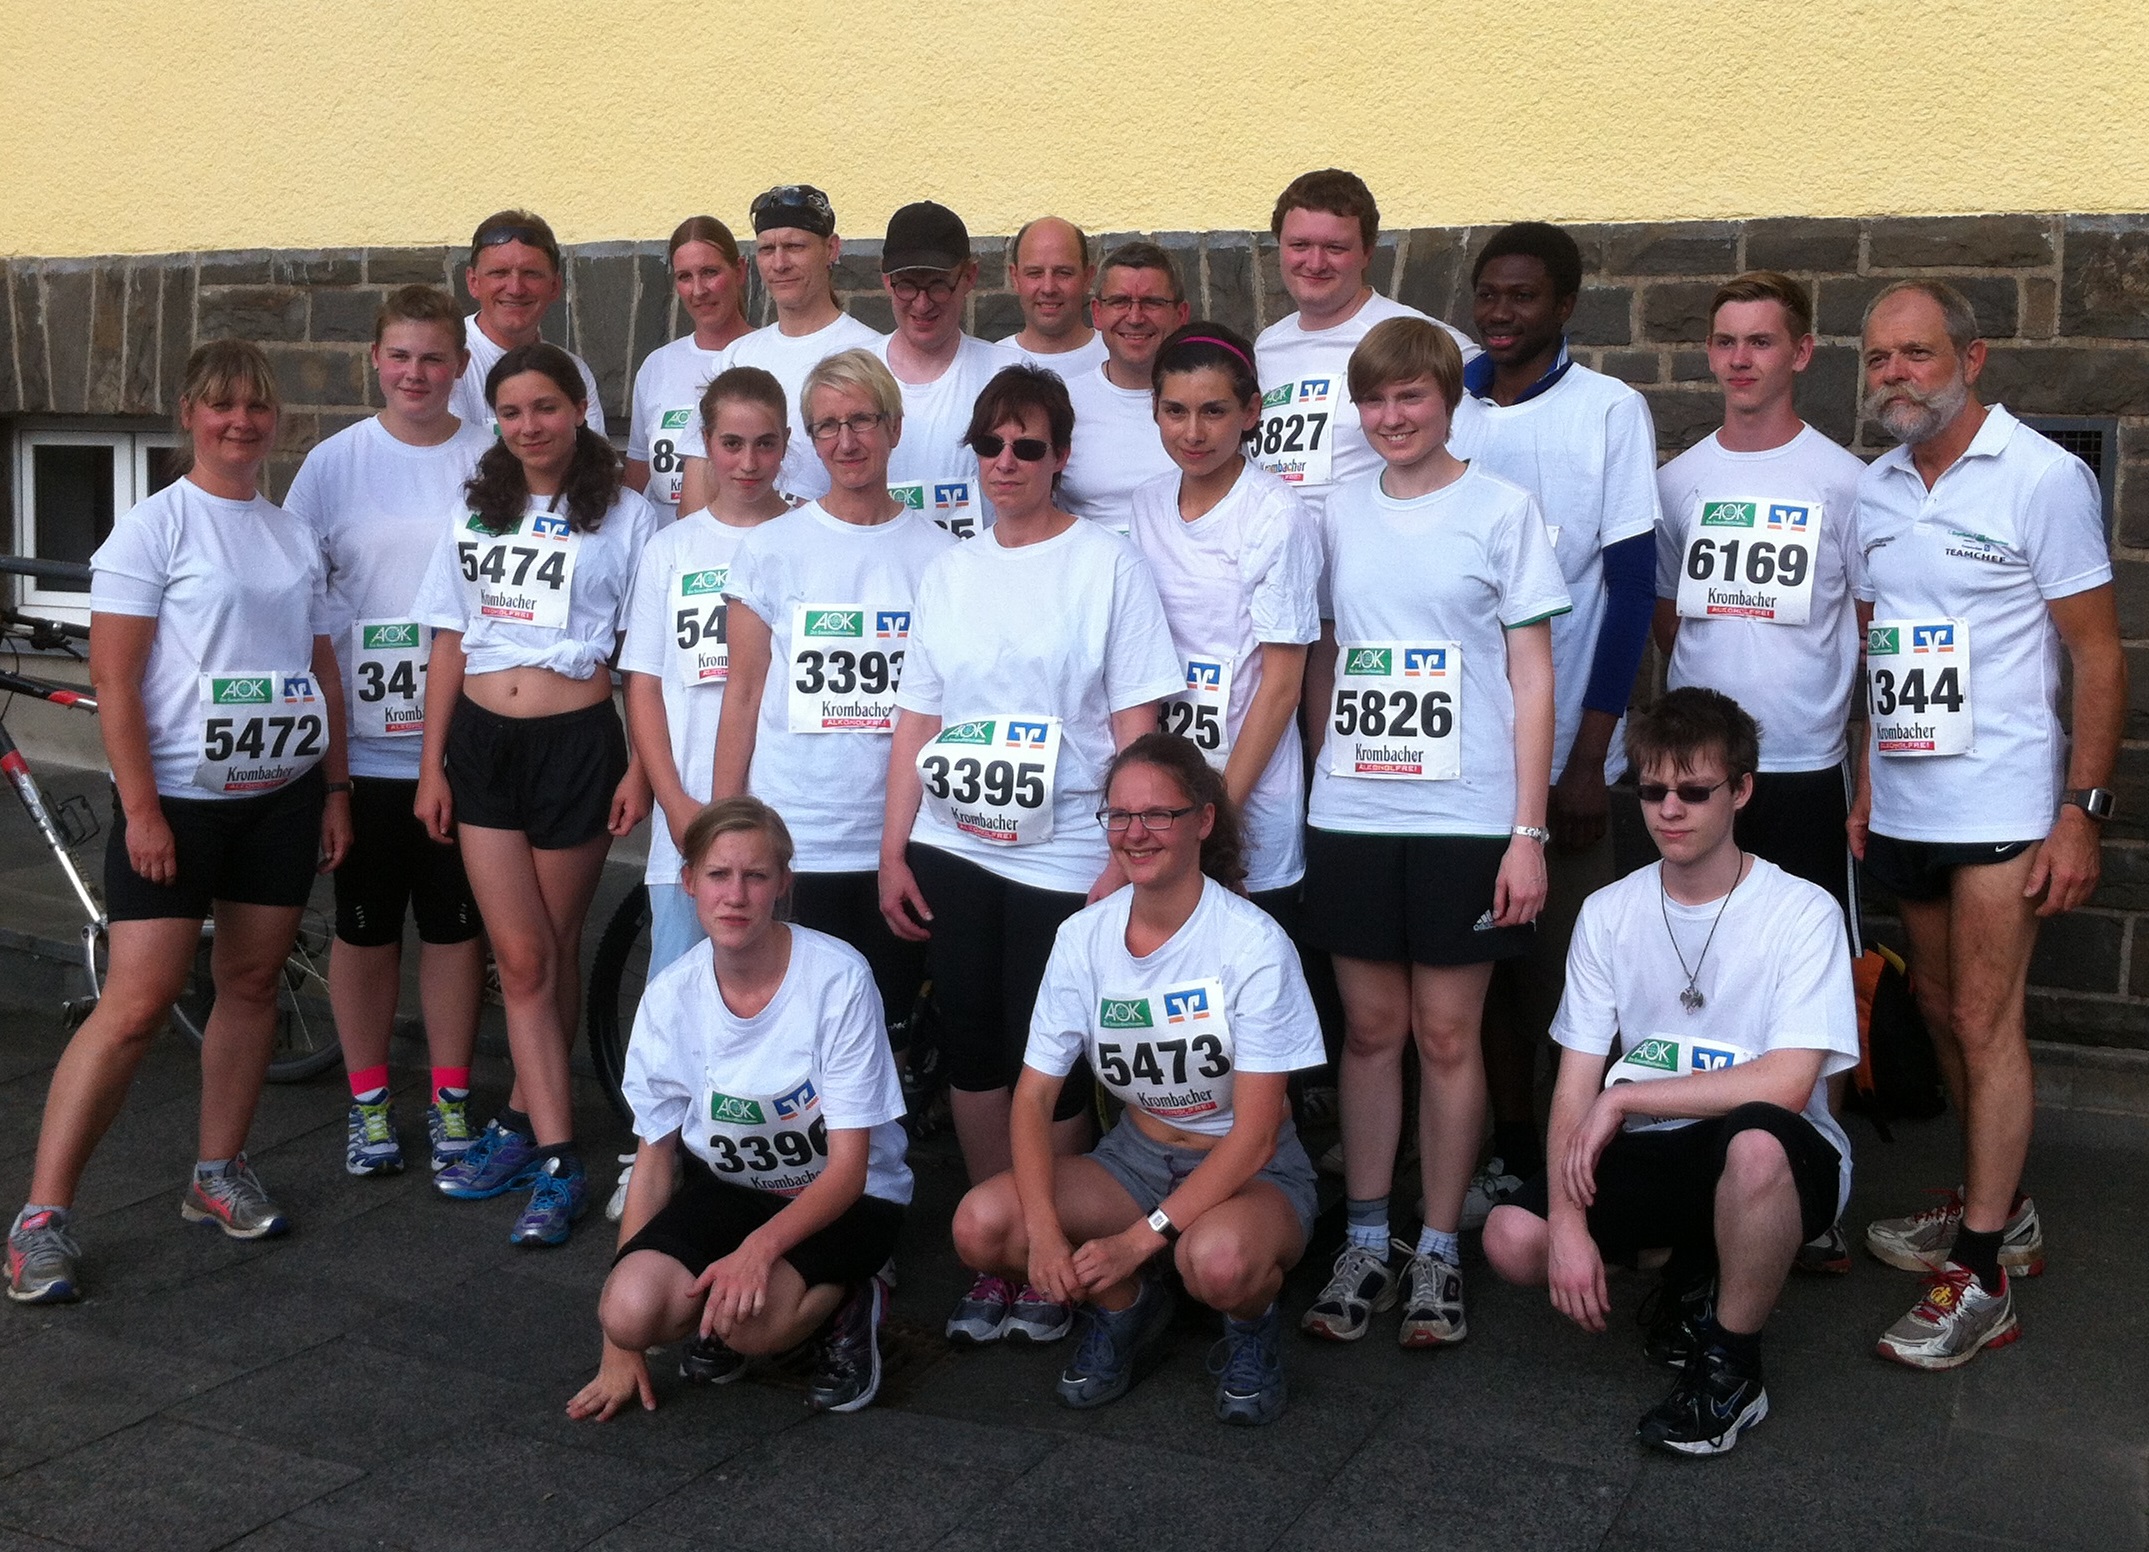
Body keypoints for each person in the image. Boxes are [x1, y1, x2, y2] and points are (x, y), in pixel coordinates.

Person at [8, 340, 352, 1304]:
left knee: (248, 984)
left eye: (255, 407)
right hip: (181, 803)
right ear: (189, 418)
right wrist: (145, 809)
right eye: (221, 407)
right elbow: (113, 680)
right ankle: (41, 1217)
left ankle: (217, 1173)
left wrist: (333, 790)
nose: (241, 422)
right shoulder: (152, 530)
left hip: (279, 799)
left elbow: (318, 665)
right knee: (135, 1006)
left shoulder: (289, 534)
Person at [879, 364, 1183, 1342]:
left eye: (1028, 446)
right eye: (990, 444)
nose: (1005, 462)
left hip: (1062, 855)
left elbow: (1140, 731)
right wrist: (894, 851)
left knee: (1044, 1052)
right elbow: (916, 719)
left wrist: (1125, 860)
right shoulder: (950, 570)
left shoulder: (1106, 564)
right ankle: (999, 1241)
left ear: (1059, 457)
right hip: (954, 845)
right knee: (971, 1044)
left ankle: (1048, 1234)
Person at [1851, 280, 2122, 1369]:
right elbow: (1881, 646)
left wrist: (2079, 812)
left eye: (1914, 355)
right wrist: (1869, 777)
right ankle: (1989, 1207)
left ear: (1973, 357)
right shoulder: (1872, 488)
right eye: (1877, 360)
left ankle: (1983, 1275)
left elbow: (2097, 654)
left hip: (2006, 799)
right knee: (1945, 1012)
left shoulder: (2041, 478)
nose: (1894, 377)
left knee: (1984, 1013)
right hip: (1910, 797)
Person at [1483, 687, 1860, 1456]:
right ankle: (1692, 1264)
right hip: (1662, 1147)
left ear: (1741, 790)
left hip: (1779, 1156)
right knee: (1510, 1238)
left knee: (1755, 1141)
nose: (1670, 810)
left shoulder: (1802, 909)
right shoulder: (1608, 911)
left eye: (1694, 790)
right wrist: (1564, 1223)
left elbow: (1789, 1083)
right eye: (1652, 791)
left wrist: (1624, 1102)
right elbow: (1574, 1078)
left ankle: (1731, 1371)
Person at [1297, 317, 1565, 1347]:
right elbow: (1325, 653)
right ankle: (1367, 1233)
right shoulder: (1334, 513)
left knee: (1449, 1036)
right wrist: (1329, 766)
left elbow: (1529, 672)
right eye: (1374, 400)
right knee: (1368, 1034)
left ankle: (1438, 1244)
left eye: (1410, 397)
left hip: (1466, 814)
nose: (1391, 416)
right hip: (1357, 811)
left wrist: (1526, 831)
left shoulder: (1501, 510)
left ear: (1447, 400)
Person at [950, 735, 1324, 1423]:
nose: (1135, 833)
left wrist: (1135, 1240)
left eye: (1157, 814)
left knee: (1216, 1265)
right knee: (984, 1226)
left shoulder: (1251, 942)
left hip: (1246, 1168)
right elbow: (1033, 1098)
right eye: (1119, 816)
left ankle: (1249, 1325)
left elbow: (1258, 1133)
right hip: (1135, 1157)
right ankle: (1127, 1307)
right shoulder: (1083, 936)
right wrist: (1046, 1231)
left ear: (1203, 820)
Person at [411, 342, 658, 1247]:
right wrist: (432, 763)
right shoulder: (476, 506)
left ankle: (525, 1127)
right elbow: (447, 636)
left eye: (546, 408)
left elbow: (642, 654)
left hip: (574, 745)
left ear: (579, 409)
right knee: (518, 959)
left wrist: (637, 764)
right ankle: (555, 1152)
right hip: (481, 746)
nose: (529, 427)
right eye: (512, 412)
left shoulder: (628, 517)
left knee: (546, 950)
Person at [1653, 272, 1871, 1273]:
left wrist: (1862, 778)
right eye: (1725, 341)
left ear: (1800, 353)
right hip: (1700, 778)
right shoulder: (1681, 479)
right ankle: (1701, 1173)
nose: (1740, 358)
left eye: (1760, 341)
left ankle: (1813, 1192)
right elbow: (1669, 619)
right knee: (1702, 975)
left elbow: (1869, 638)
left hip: (1801, 770)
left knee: (1806, 988)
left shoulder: (1844, 481)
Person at [566, 799, 910, 1419]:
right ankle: (726, 1306)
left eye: (755, 876)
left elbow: (852, 1168)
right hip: (733, 1188)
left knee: (751, 1326)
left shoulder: (839, 979)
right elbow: (654, 1161)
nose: (735, 895)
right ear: (690, 882)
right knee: (629, 1308)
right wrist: (620, 1347)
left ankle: (855, 1297)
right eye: (719, 876)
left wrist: (758, 1250)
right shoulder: (672, 994)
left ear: (783, 885)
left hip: (848, 1197)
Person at [1449, 220, 1662, 1213]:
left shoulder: (1609, 412)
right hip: (1451, 759)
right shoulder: (1441, 403)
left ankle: (1591, 1161)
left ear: (1566, 304)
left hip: (1562, 762)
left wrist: (1589, 759)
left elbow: (1628, 591)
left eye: (1522, 295)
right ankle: (1510, 1146)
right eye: (1488, 293)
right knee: (1482, 978)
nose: (1499, 312)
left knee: (1574, 978)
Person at [285, 286, 492, 1179]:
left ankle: (450, 1098)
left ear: (460, 366)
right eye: (400, 356)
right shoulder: (333, 464)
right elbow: (293, 596)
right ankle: (368, 1105)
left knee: (453, 933)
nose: (416, 373)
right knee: (365, 932)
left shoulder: (494, 458)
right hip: (363, 747)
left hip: (467, 743)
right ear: (376, 358)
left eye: (434, 357)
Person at [710, 350, 953, 1040]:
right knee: (800, 1025)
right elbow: (743, 695)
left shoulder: (941, 556)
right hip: (801, 834)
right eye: (827, 427)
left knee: (887, 1023)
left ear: (894, 428)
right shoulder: (771, 549)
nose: (845, 442)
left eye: (861, 422)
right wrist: (726, 827)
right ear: (809, 441)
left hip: (900, 836)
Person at [1127, 323, 1320, 901]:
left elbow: (1283, 686)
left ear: (1251, 411)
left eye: (1213, 411)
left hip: (1245, 801)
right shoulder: (1146, 503)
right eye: (1175, 410)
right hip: (1160, 797)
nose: (1192, 432)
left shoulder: (1275, 516)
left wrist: (1217, 818)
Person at [621, 366, 792, 977]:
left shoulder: (809, 538)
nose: (748, 462)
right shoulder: (672, 549)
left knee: (784, 986)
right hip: (690, 807)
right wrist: (672, 800)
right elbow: (643, 681)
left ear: (786, 443)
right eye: (732, 444)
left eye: (765, 444)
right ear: (706, 444)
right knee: (680, 985)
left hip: (785, 807)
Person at [1250, 169, 1478, 526]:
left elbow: (1478, 442)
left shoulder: (1418, 336)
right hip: (1281, 556)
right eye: (1299, 245)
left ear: (1367, 253)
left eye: (1334, 248)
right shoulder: (1266, 346)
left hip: (1376, 551)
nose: (1314, 263)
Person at [676, 185, 884, 510]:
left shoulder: (873, 353)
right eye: (766, 249)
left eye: (794, 246)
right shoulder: (736, 357)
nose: (779, 263)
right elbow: (700, 478)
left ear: (831, 249)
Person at [871, 201, 1020, 540]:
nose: (922, 304)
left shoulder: (1006, 376)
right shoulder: (855, 377)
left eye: (938, 284)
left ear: (969, 277)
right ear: (885, 280)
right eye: (906, 285)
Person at [1056, 242, 1189, 534]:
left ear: (1181, 314)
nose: (1135, 317)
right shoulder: (1062, 405)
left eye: (1152, 302)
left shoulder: (1209, 404)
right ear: (1097, 313)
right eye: (1119, 301)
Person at [625, 217, 754, 518]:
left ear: (740, 271)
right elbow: (636, 479)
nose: (698, 290)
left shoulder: (768, 354)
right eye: (685, 277)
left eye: (710, 272)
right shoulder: (657, 366)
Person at [447, 210, 606, 437]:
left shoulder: (573, 370)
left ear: (554, 286)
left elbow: (596, 466)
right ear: (473, 282)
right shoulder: (443, 358)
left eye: (531, 274)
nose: (515, 289)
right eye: (499, 273)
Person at [1001, 216, 1106, 374]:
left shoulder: (1116, 360)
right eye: (1035, 273)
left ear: (1087, 277)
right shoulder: (991, 365)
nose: (1048, 288)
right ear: (1014, 278)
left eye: (1063, 273)